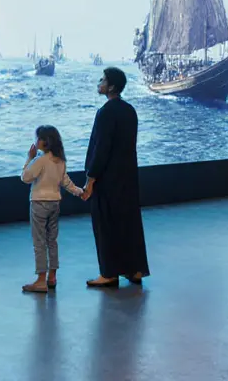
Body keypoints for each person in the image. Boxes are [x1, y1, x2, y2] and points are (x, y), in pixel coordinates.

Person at [82, 67, 150, 288]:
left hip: (108, 179)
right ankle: (135, 269)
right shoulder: (130, 111)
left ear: (111, 86)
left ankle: (109, 273)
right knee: (129, 222)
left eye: (102, 79)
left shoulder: (106, 112)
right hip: (128, 176)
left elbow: (101, 148)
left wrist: (91, 178)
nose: (99, 82)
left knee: (106, 224)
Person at [20, 125, 84, 293]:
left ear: (44, 142)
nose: (36, 141)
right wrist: (79, 192)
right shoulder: (60, 160)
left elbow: (25, 177)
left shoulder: (39, 160)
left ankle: (41, 280)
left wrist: (29, 158)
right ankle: (52, 277)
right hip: (55, 204)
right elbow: (66, 182)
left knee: (39, 242)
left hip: (39, 204)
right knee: (52, 241)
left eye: (38, 138)